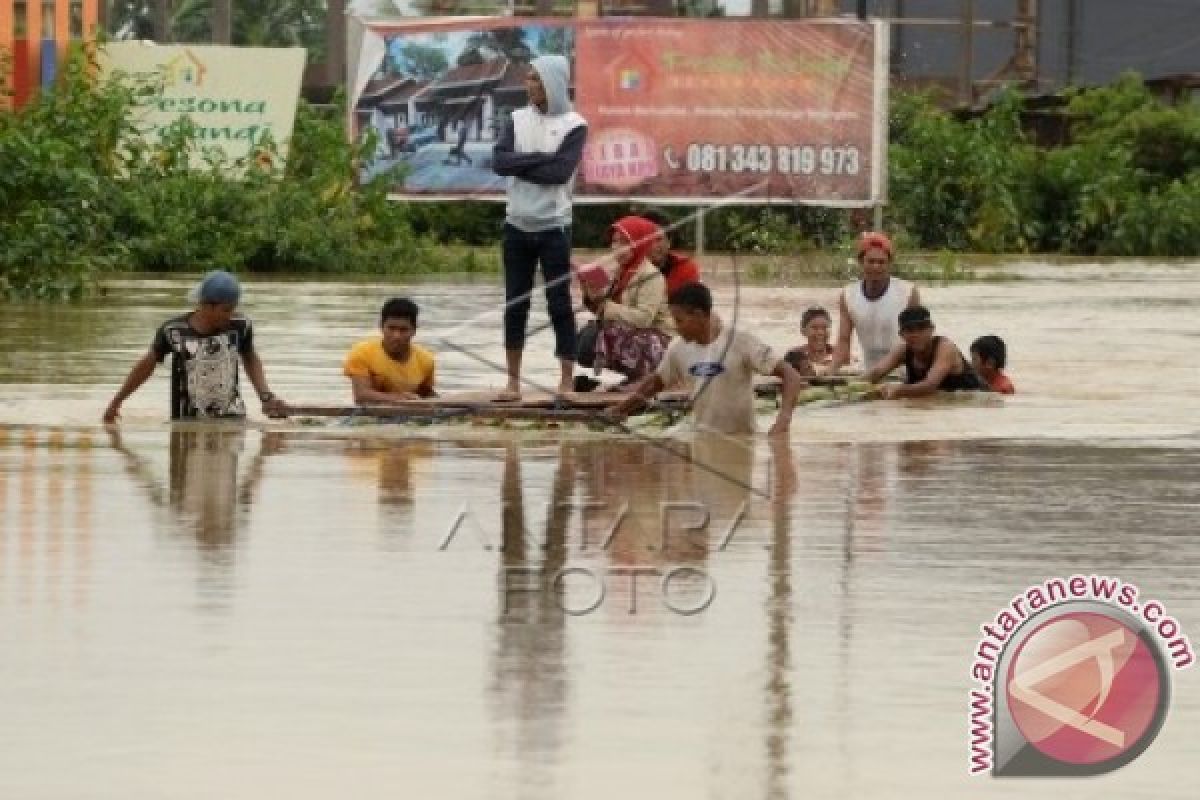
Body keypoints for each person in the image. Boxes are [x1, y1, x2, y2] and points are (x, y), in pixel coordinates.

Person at [492, 55, 588, 400]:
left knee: (559, 303)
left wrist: (524, 164)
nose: (528, 84)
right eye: (527, 78)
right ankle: (513, 383)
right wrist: (540, 160)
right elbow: (500, 162)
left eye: (534, 78)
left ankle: (565, 380)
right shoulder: (516, 120)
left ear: (552, 82)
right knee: (515, 303)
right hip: (516, 225)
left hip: (554, 228)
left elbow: (560, 173)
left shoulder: (575, 124)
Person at [607, 282, 802, 436]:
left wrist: (783, 421)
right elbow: (654, 384)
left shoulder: (740, 341)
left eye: (679, 320)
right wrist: (620, 410)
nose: (675, 327)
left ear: (699, 316)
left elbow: (791, 376)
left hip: (742, 436)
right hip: (700, 435)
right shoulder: (677, 347)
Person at [103, 270, 286, 422]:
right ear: (206, 305)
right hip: (186, 423)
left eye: (233, 309)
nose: (230, 315)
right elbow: (146, 366)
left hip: (232, 420)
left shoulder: (240, 326)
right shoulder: (174, 331)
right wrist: (116, 402)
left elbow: (250, 358)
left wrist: (266, 397)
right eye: (226, 310)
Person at [578, 216, 674, 389]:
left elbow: (643, 318)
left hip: (660, 343)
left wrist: (606, 306)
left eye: (624, 242)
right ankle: (630, 379)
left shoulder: (651, 276)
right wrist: (591, 295)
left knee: (608, 333)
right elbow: (604, 310)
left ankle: (643, 379)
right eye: (614, 242)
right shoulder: (619, 271)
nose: (616, 248)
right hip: (633, 335)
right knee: (585, 335)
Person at [831, 231, 921, 373]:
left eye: (881, 262)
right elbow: (843, 341)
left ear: (889, 263)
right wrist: (831, 371)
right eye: (871, 261)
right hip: (868, 372)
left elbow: (919, 339)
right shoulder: (848, 295)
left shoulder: (908, 292)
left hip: (903, 371)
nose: (876, 267)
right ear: (861, 262)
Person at [865, 306, 983, 399]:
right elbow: (875, 373)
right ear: (901, 335)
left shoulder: (946, 348)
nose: (916, 334)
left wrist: (898, 390)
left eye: (921, 328)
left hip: (976, 399)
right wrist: (850, 385)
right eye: (910, 330)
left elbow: (930, 386)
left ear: (932, 329)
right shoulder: (902, 350)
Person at [343, 297, 436, 404]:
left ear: (414, 330)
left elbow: (426, 394)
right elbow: (361, 395)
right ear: (381, 326)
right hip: (370, 416)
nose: (396, 336)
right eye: (391, 328)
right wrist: (401, 399)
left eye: (403, 330)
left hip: (408, 415)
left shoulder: (426, 359)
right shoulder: (362, 353)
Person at [639, 209, 702, 296]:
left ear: (669, 242)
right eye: (648, 239)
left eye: (658, 239)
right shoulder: (626, 268)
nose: (653, 246)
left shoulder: (685, 269)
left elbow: (689, 307)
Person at [784, 306, 837, 377]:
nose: (820, 332)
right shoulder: (794, 356)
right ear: (803, 331)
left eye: (825, 327)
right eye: (814, 328)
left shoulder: (838, 354)